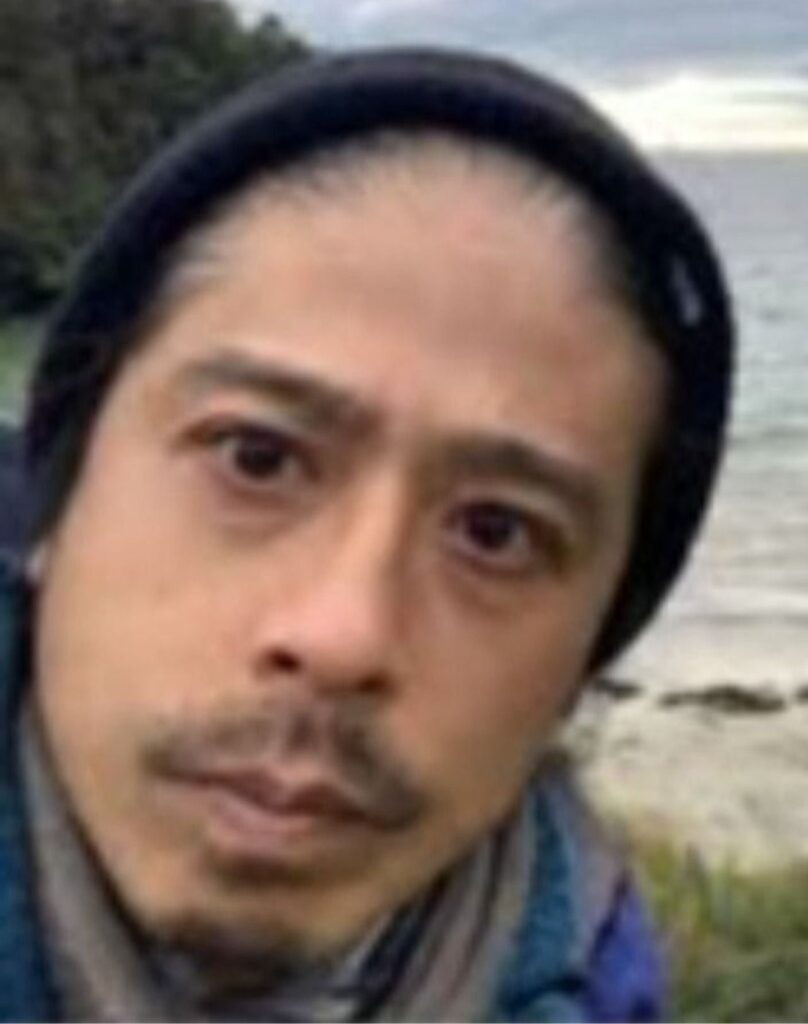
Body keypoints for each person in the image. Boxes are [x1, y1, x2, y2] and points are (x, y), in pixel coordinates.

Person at [0, 48, 733, 1022]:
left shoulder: (595, 982)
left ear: (584, 659)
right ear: (57, 498)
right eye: (257, 457)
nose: (344, 635)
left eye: (496, 531)